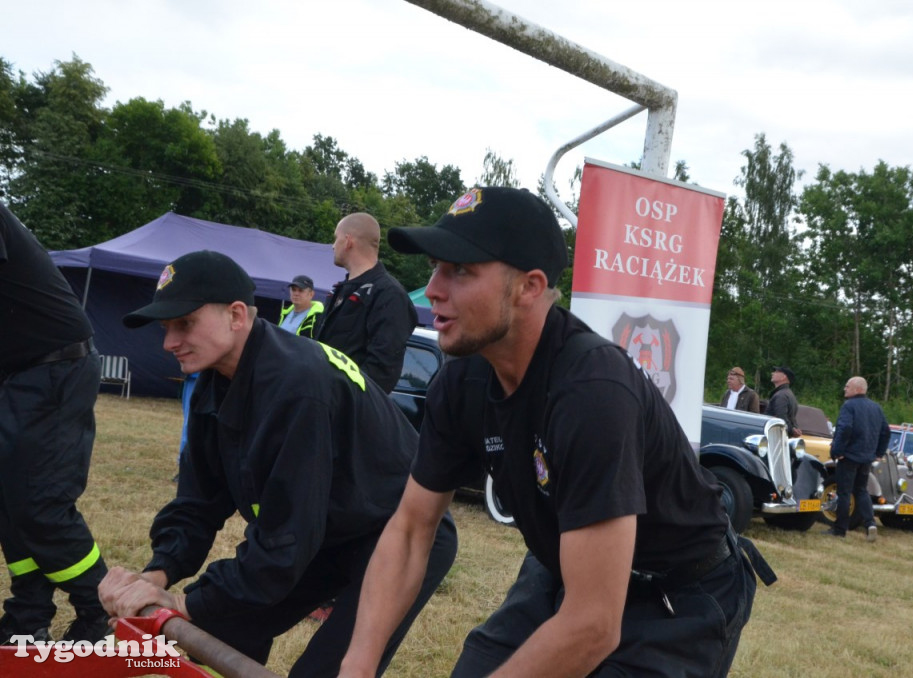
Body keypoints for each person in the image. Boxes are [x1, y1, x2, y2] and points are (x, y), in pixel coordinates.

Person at [338, 187, 773, 678]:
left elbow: (592, 624)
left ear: (528, 287)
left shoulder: (592, 390)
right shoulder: (461, 379)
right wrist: (357, 663)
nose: (433, 288)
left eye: (460, 270)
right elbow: (412, 530)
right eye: (436, 266)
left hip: (679, 596)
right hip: (567, 571)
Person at [98, 250, 457, 678]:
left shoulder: (297, 385)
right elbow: (199, 502)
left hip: (400, 532)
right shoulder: (216, 381)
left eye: (184, 323)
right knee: (223, 627)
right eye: (165, 328)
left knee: (327, 671)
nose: (169, 342)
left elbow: (285, 544)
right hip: (329, 528)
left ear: (236, 316)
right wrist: (158, 573)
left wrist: (186, 602)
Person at [0, 201, 109, 644]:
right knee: (10, 502)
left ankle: (100, 612)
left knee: (41, 505)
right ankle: (27, 618)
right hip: (23, 371)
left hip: (54, 367)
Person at [315, 213, 417, 394]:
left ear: (348, 241)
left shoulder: (388, 294)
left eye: (335, 238)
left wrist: (339, 401)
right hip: (322, 402)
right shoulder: (340, 290)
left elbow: (381, 374)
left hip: (348, 412)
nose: (332, 245)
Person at [825, 376, 890, 541]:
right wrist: (878, 453)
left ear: (857, 389)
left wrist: (837, 451)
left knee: (844, 492)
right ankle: (870, 524)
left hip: (849, 456)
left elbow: (845, 428)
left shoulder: (849, 406)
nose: (844, 389)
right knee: (861, 491)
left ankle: (840, 529)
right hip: (866, 457)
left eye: (847, 386)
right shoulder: (876, 407)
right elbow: (886, 431)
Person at [765, 365, 801, 436]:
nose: (773, 373)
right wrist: (793, 428)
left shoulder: (781, 395)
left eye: (776, 372)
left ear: (784, 377)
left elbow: (781, 418)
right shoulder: (788, 393)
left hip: (776, 435)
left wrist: (791, 430)